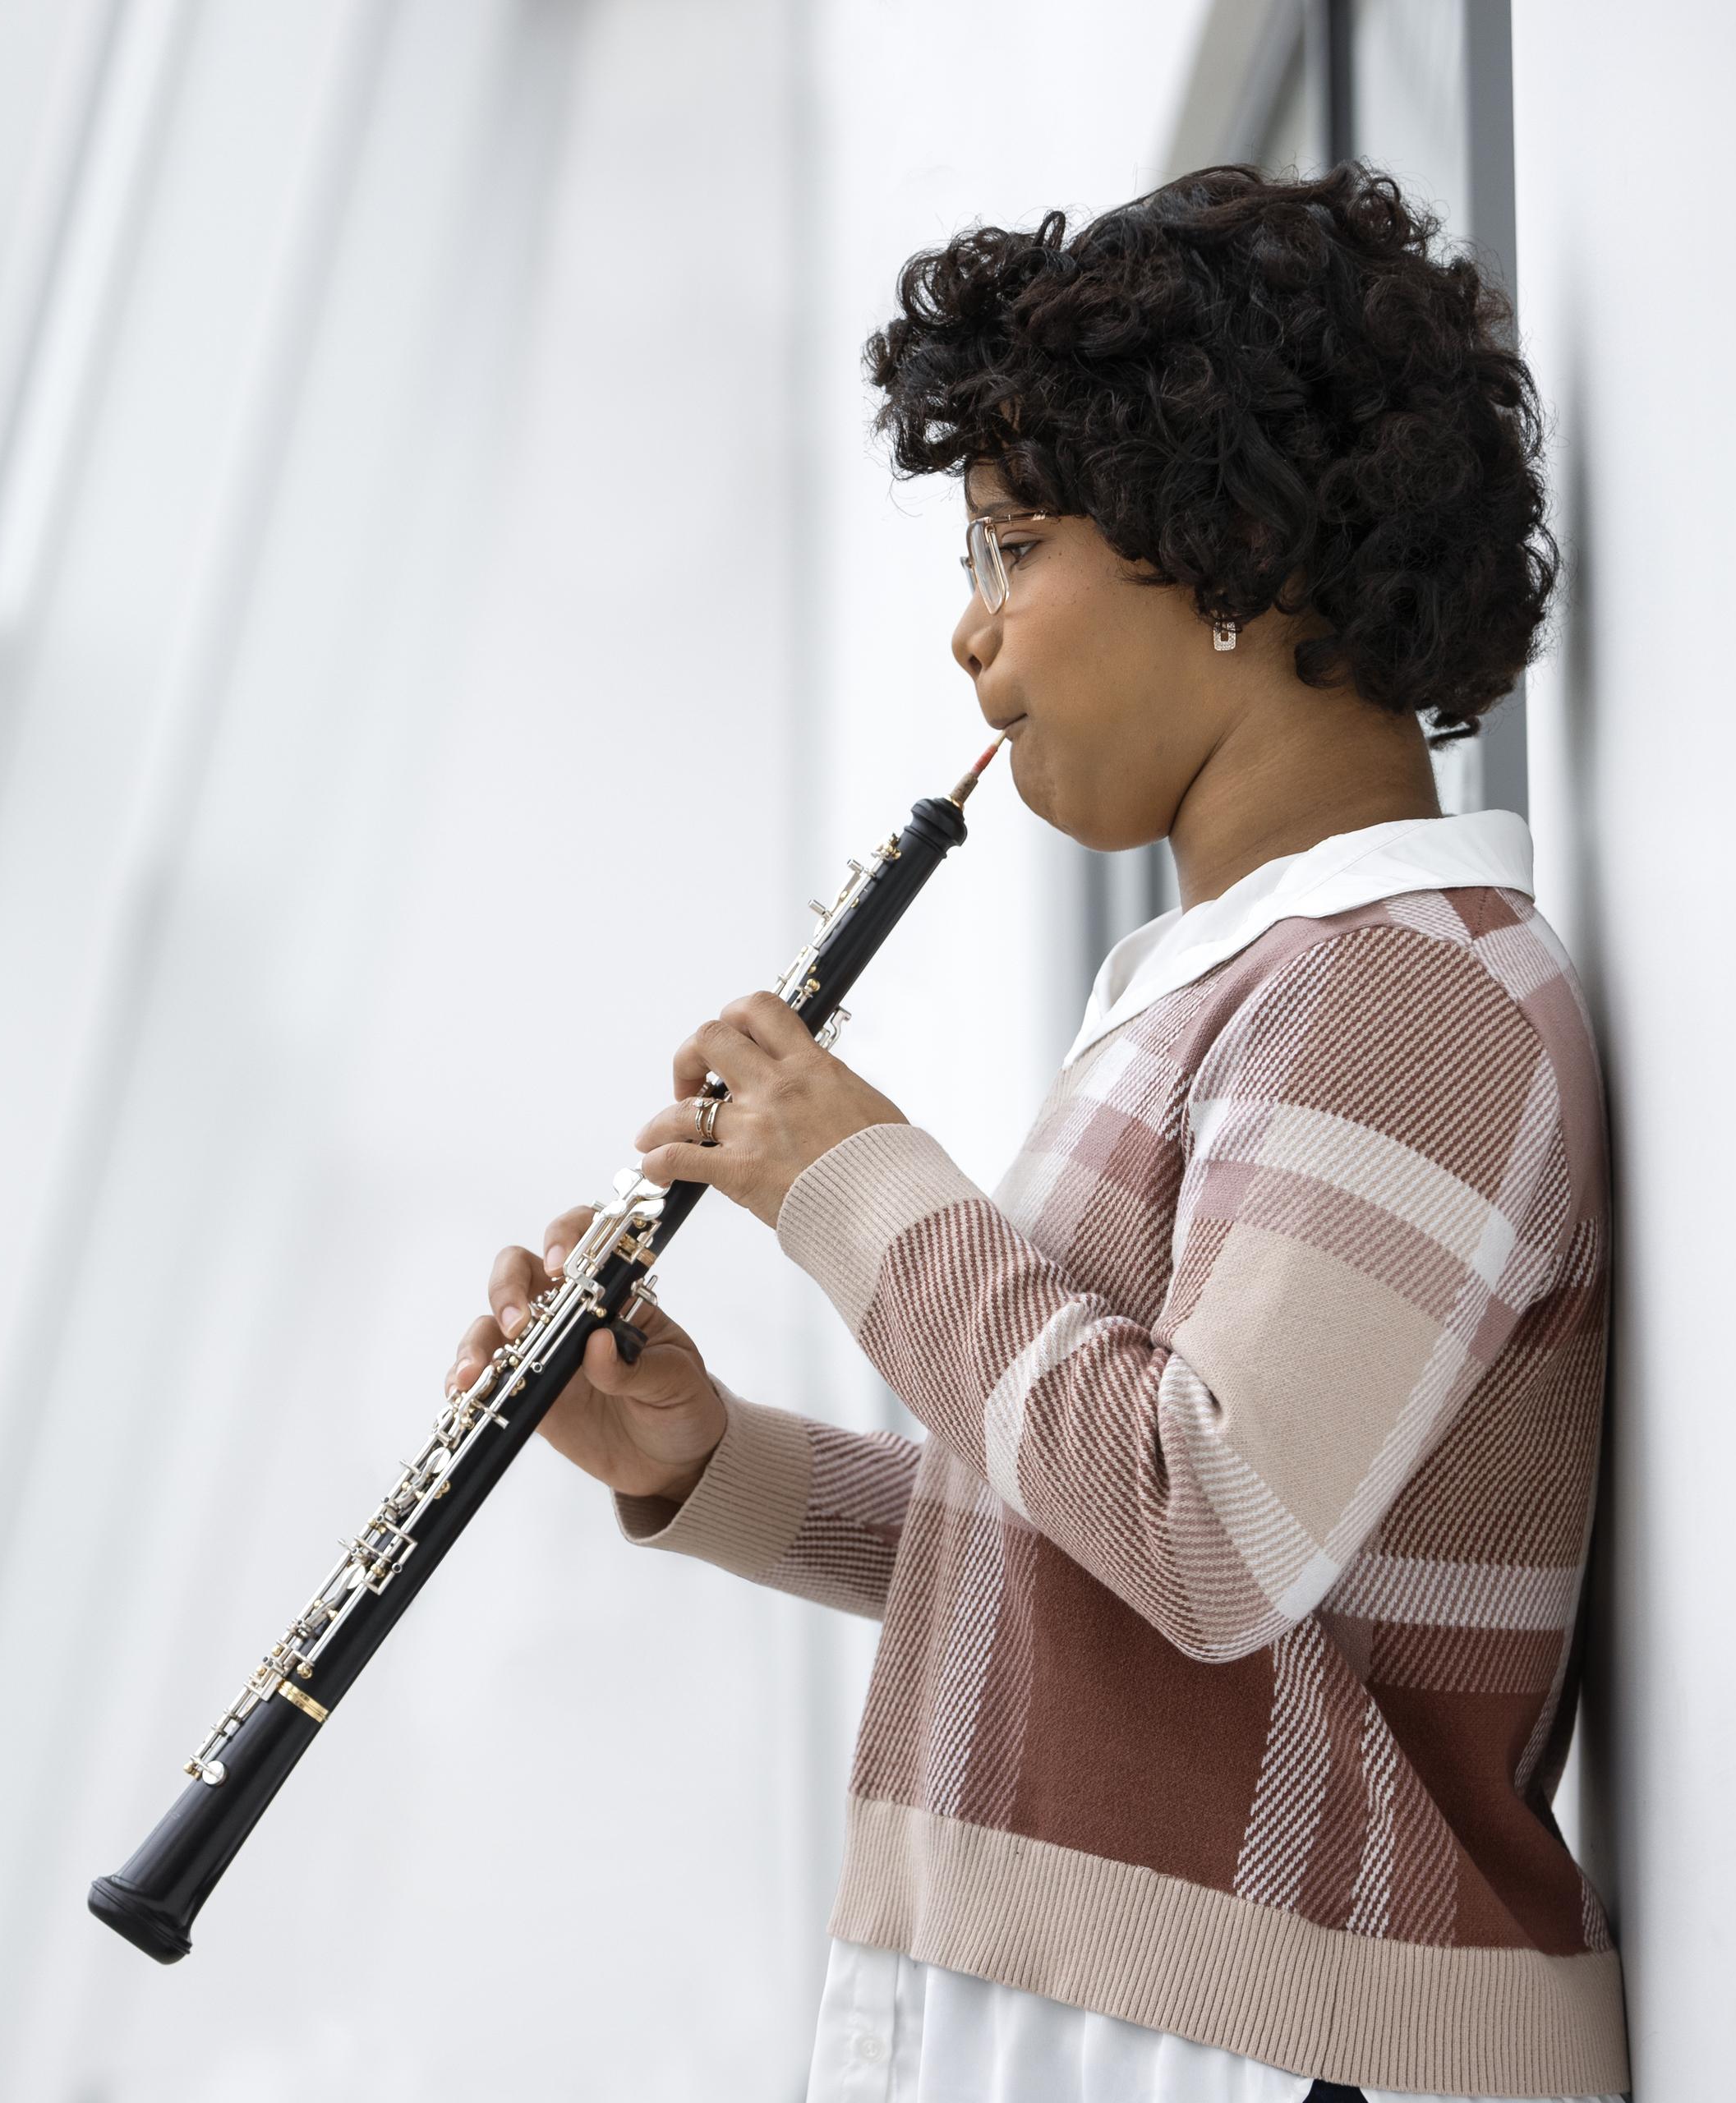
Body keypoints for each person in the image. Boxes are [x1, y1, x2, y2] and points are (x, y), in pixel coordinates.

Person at [450, 166, 1623, 2103]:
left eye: (1011, 548)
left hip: (1275, 2036)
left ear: (1231, 547)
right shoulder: (1244, 988)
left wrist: (852, 1181)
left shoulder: (1414, 993)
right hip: (1158, 2013)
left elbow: (1209, 1520)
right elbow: (1103, 1560)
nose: (971, 637)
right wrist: (720, 1460)